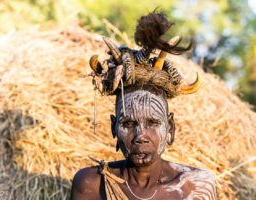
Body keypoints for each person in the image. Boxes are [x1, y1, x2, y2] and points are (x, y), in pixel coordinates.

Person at [70, 10, 217, 200]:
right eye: (128, 124)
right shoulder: (91, 185)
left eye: (153, 123)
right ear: (114, 127)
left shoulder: (196, 187)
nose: (140, 136)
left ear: (170, 126)